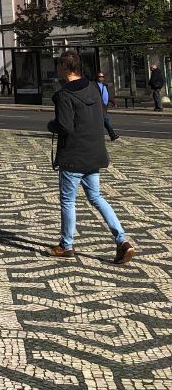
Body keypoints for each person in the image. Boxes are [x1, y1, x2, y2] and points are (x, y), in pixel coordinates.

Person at [49, 49, 134, 264]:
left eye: (59, 66)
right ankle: (122, 240)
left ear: (65, 68)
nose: (57, 69)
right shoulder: (94, 87)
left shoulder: (64, 95)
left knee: (68, 201)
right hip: (94, 153)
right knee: (96, 197)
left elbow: (64, 126)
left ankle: (66, 245)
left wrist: (51, 125)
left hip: (73, 156)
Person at [96, 72, 119, 141]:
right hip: (99, 105)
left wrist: (114, 103)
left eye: (102, 77)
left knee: (103, 122)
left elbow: (108, 95)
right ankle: (112, 134)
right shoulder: (94, 85)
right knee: (106, 120)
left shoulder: (105, 85)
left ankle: (110, 135)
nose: (101, 78)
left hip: (105, 106)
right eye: (100, 77)